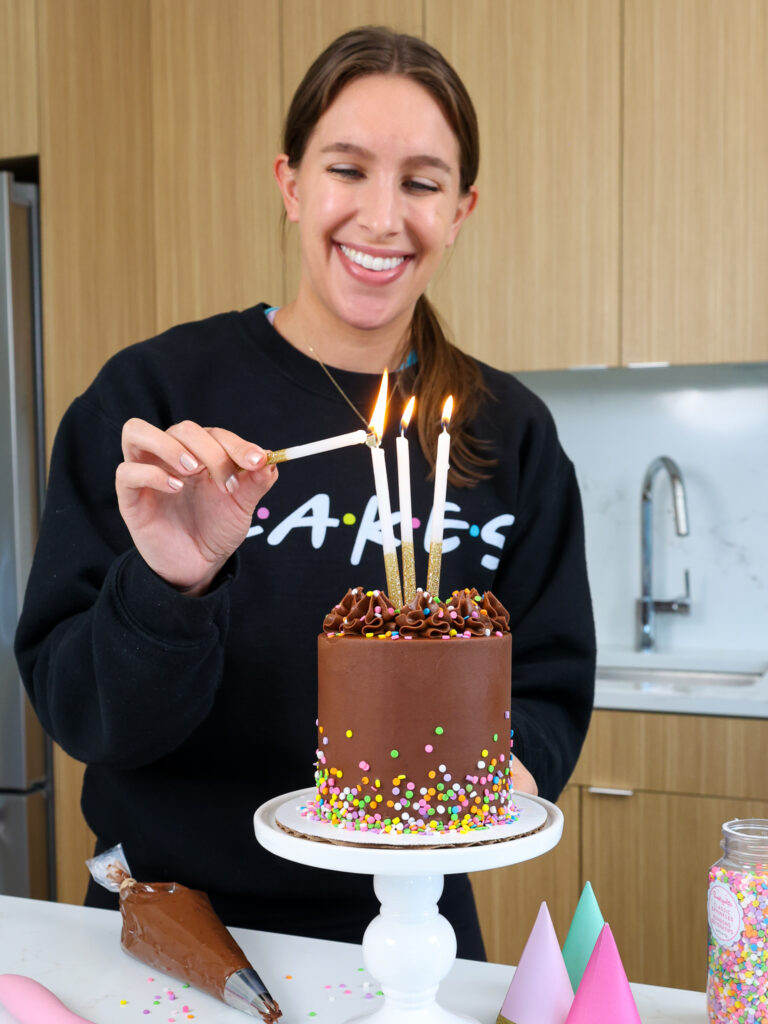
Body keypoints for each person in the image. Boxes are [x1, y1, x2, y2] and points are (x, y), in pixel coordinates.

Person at [15, 26, 595, 959]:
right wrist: (173, 587)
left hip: (412, 931)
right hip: (178, 926)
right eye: (347, 169)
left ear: (461, 209)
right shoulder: (157, 409)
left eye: (420, 181)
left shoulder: (508, 432)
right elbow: (85, 719)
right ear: (291, 185)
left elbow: (552, 683)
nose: (380, 216)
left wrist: (502, 770)